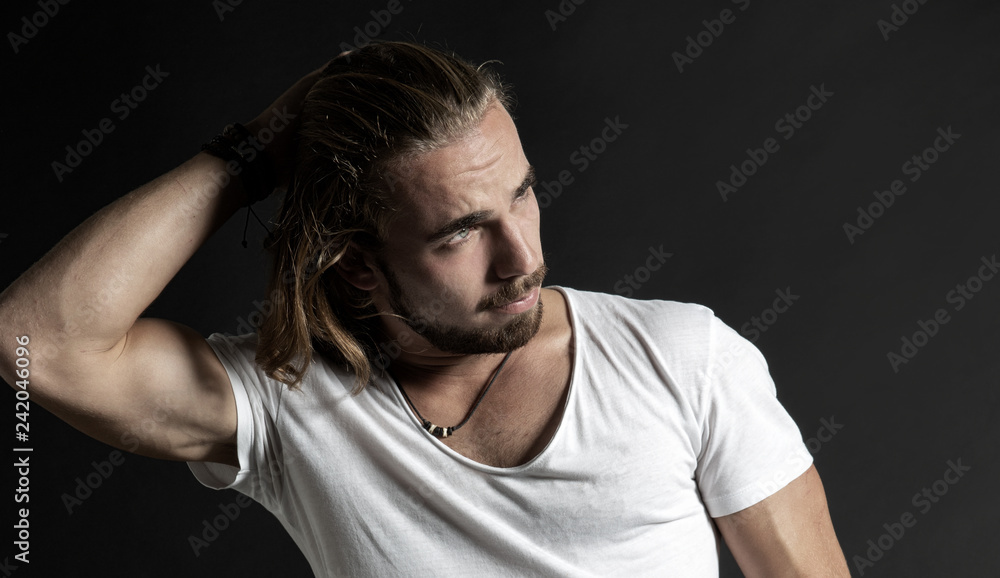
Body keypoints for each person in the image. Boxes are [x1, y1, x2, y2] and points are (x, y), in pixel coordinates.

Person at [0, 41, 849, 576]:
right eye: (462, 233)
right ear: (359, 268)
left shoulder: (684, 357)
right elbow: (36, 340)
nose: (521, 258)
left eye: (522, 196)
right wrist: (258, 150)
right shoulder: (286, 405)